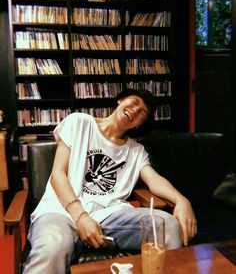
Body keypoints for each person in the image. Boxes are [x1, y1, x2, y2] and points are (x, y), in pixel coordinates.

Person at [23, 89, 197, 274]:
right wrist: (81, 216)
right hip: (62, 211)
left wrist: (181, 200)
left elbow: (154, 179)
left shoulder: (136, 150)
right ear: (121, 99)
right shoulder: (79, 122)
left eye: (142, 113)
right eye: (135, 102)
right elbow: (58, 174)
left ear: (140, 124)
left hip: (108, 217)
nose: (135, 110)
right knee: (52, 246)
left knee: (167, 225)